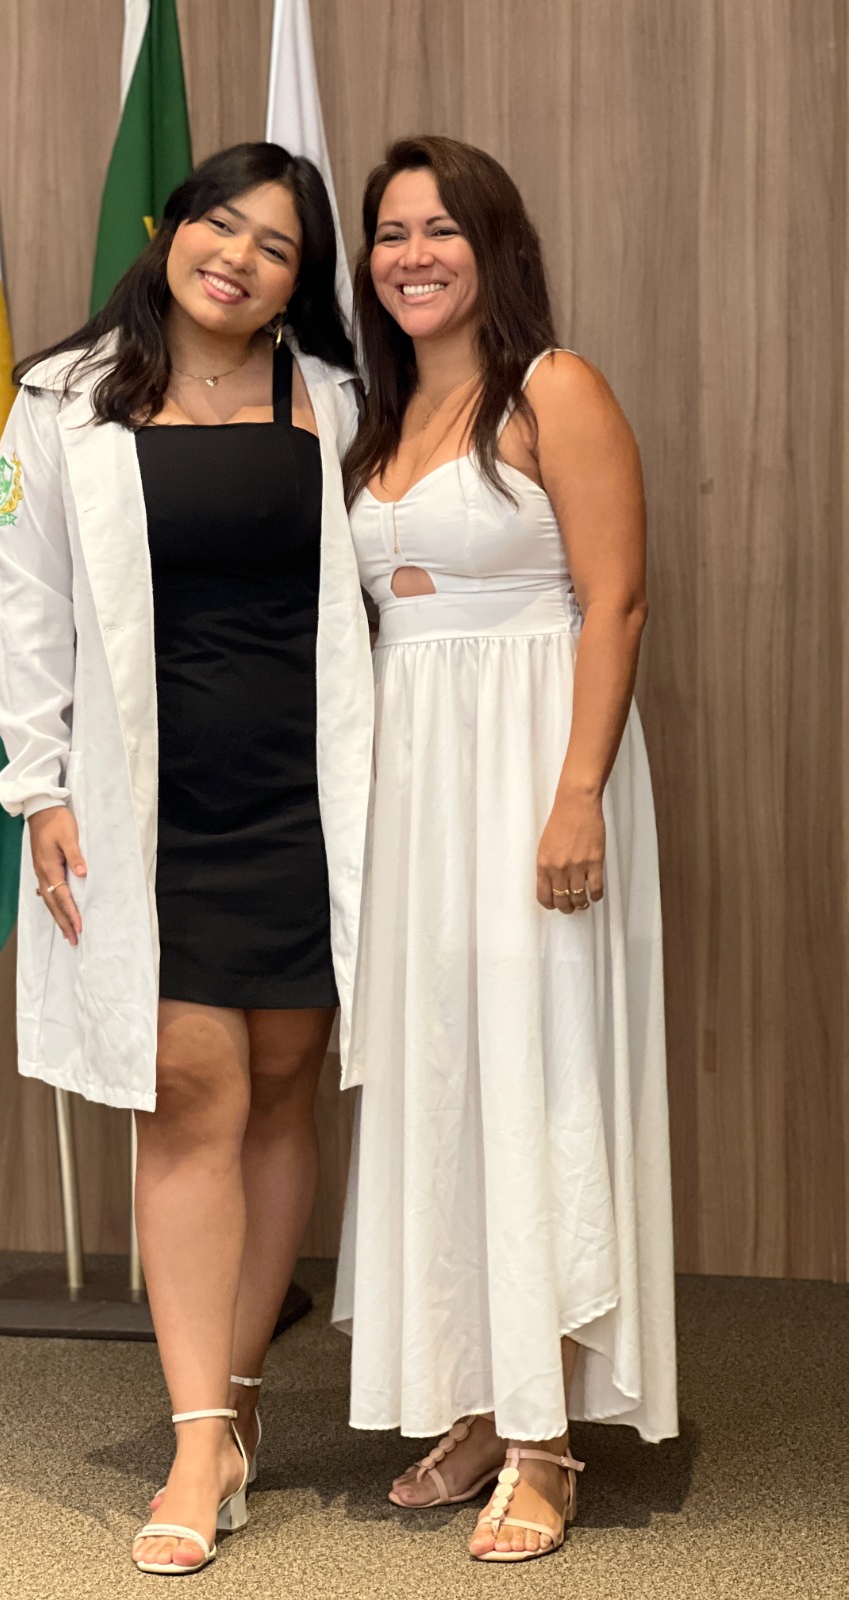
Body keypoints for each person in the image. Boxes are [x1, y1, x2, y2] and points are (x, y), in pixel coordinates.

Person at [0, 142, 373, 1576]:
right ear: (171, 230)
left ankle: (245, 1392)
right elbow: (22, 601)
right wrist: (39, 785)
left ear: (298, 282)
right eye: (222, 223)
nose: (239, 257)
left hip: (313, 799)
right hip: (153, 803)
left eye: (277, 245)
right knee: (189, 1091)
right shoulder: (61, 400)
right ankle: (198, 1442)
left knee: (281, 1089)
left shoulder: (335, 399)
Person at [332, 135, 677, 1564]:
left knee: (539, 1076)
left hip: (536, 763)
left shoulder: (553, 388)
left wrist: (578, 791)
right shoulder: (375, 416)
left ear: (494, 245)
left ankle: (547, 1442)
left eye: (441, 229)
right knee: (444, 1078)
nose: (412, 255)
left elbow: (617, 601)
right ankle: (479, 1397)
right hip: (416, 789)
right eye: (390, 233)